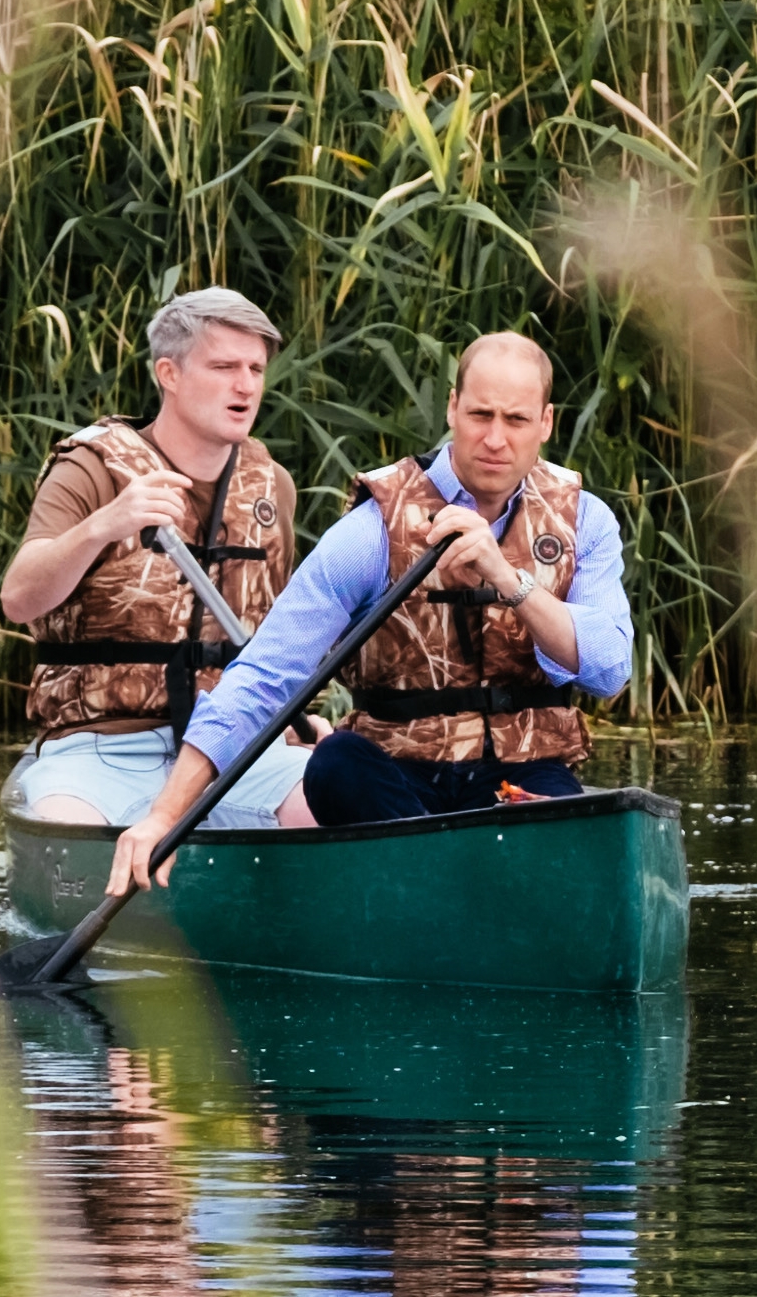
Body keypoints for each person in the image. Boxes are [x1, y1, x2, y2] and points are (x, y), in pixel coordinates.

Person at [107, 331, 632, 894]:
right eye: (480, 414)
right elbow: (264, 676)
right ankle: (439, 879)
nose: (495, 439)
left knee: (559, 816)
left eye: (516, 420)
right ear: (452, 408)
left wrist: (507, 579)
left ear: (546, 423)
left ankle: (455, 879)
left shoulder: (585, 521)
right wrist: (165, 816)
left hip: (521, 775)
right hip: (396, 783)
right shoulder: (373, 529)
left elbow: (607, 669)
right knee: (334, 763)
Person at [0, 287, 319, 829]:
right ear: (168, 374)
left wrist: (295, 719)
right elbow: (19, 598)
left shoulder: (271, 487)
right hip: (99, 750)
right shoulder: (90, 468)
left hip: (231, 745)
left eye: (256, 368)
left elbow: (277, 634)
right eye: (223, 366)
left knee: (338, 800)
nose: (245, 386)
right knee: (66, 825)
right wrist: (105, 525)